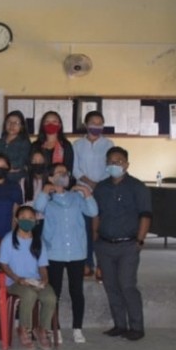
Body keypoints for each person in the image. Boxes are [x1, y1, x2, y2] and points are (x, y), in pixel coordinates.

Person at [34, 162, 98, 344]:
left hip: (76, 252)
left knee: (76, 291)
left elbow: (93, 211)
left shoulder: (76, 197)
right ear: (51, 177)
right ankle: (56, 329)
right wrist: (46, 190)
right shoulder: (47, 199)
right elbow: (38, 208)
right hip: (54, 252)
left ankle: (77, 328)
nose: (64, 175)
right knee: (55, 293)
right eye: (59, 173)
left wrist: (85, 192)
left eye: (66, 173)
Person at [93, 146, 150, 341]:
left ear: (126, 164)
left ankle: (136, 327)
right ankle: (119, 325)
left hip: (128, 245)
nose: (114, 165)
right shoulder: (101, 188)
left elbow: (145, 215)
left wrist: (140, 240)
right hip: (104, 245)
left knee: (127, 285)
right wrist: (95, 239)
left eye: (118, 162)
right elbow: (96, 215)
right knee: (111, 286)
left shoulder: (137, 187)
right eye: (110, 162)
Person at [0, 206, 56, 350]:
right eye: (23, 218)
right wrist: (17, 279)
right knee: (29, 295)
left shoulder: (38, 241)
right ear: (16, 219)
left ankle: (42, 329)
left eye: (31, 218)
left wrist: (44, 279)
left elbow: (42, 266)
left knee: (50, 297)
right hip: (14, 282)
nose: (27, 221)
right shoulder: (8, 240)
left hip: (34, 280)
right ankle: (24, 329)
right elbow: (3, 264)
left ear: (36, 221)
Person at [73, 110, 114, 276]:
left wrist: (99, 185)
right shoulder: (77, 145)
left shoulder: (108, 144)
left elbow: (110, 166)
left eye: (99, 123)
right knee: (85, 229)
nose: (96, 126)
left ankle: (102, 265)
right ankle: (87, 263)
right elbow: (75, 168)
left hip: (103, 190)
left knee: (101, 229)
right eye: (93, 123)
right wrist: (89, 183)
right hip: (82, 192)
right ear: (86, 124)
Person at [0, 111, 31, 182]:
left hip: (17, 179)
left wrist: (1, 167)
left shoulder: (25, 144)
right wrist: (8, 168)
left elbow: (19, 163)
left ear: (22, 126)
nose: (12, 125)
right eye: (9, 122)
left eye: (16, 123)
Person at [22, 150, 50, 215]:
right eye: (34, 161)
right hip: (30, 217)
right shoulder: (24, 181)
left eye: (40, 161)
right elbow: (24, 203)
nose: (37, 163)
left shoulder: (51, 181)